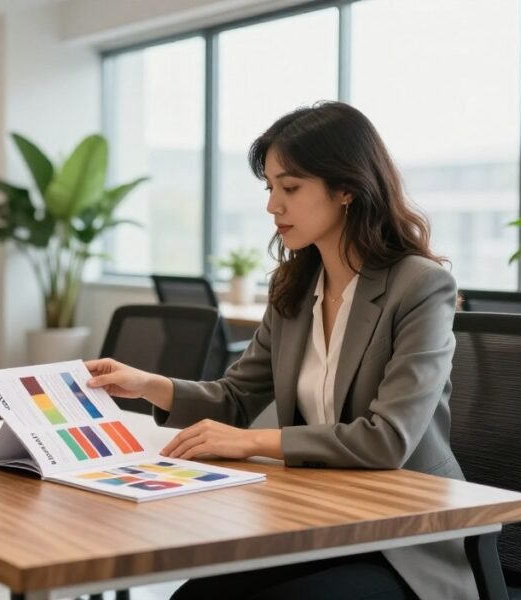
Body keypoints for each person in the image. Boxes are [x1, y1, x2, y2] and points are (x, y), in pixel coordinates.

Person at [84, 101, 476, 600]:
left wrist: (251, 443)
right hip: (317, 518)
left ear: (347, 189)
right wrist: (148, 385)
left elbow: (388, 440)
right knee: (194, 597)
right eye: (270, 188)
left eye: (290, 188)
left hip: (403, 535)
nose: (273, 205)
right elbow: (234, 398)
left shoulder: (420, 286)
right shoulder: (293, 288)